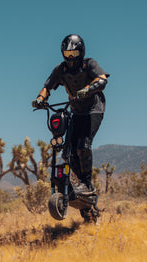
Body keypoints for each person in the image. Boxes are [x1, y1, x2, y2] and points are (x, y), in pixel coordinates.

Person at [32, 34, 109, 195]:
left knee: (84, 145)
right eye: (67, 55)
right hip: (76, 111)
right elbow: (48, 86)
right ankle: (83, 183)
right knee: (68, 151)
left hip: (94, 109)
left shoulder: (89, 64)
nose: (71, 58)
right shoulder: (60, 70)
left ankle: (86, 184)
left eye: (73, 54)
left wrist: (87, 89)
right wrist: (40, 99)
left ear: (81, 52)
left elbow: (102, 80)